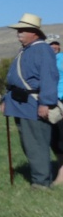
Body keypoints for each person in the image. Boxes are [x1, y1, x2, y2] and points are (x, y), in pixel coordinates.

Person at [2, 14, 59, 189]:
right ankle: (39, 177)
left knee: (36, 143)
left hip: (33, 104)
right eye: (19, 29)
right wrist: (6, 99)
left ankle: (41, 182)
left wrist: (45, 103)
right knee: (29, 143)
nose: (19, 33)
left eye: (23, 30)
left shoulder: (42, 50)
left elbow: (49, 78)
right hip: (21, 103)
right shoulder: (26, 49)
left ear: (34, 32)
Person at [46, 37, 63, 185]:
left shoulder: (61, 59)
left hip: (61, 100)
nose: (54, 47)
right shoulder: (45, 60)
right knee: (54, 138)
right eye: (51, 44)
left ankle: (61, 175)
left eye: (56, 44)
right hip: (50, 102)